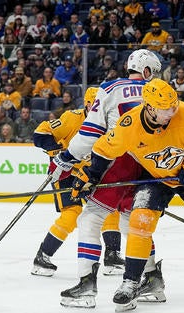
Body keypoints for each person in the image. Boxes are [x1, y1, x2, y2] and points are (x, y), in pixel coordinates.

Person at [70, 78, 184, 312]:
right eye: (165, 109)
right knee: (139, 221)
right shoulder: (129, 125)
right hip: (158, 178)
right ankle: (131, 283)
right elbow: (102, 150)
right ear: (149, 107)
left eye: (173, 105)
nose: (172, 111)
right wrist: (91, 176)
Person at [48, 50, 167, 308]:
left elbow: (91, 133)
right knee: (132, 224)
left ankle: (86, 285)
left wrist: (67, 157)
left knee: (90, 217)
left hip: (119, 161)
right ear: (147, 70)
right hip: (152, 166)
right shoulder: (161, 91)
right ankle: (153, 280)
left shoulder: (111, 88)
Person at [30, 87, 125, 280]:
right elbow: (40, 134)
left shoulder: (111, 123)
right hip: (65, 172)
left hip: (89, 174)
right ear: (88, 104)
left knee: (109, 209)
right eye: (93, 105)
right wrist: (55, 149)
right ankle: (43, 256)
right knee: (71, 215)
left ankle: (112, 256)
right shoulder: (71, 118)